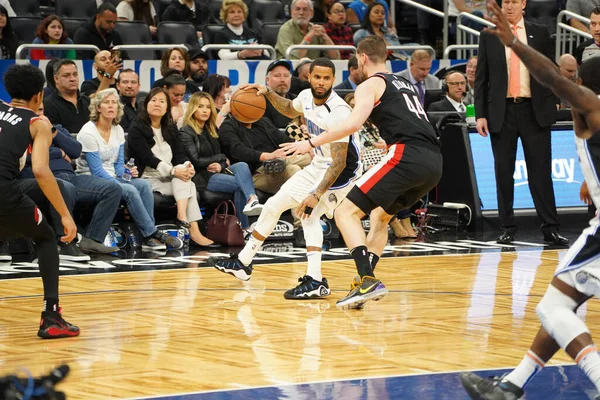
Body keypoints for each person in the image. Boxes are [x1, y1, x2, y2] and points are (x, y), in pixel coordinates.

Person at [459, 2, 600, 398]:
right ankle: (512, 385)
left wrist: (515, 44)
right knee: (561, 305)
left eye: (577, 80)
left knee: (551, 309)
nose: (570, 82)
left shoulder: (591, 107)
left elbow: (551, 79)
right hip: (507, 114)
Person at [281, 35, 443, 309]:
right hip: (434, 161)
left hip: (407, 155)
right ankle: (366, 282)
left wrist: (309, 142)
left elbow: (352, 124)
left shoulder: (371, 84)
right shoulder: (406, 84)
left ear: (362, 58)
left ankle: (366, 279)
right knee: (380, 217)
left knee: (345, 212)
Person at [214, 58, 361, 301]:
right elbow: (289, 109)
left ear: (333, 80)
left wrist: (315, 195)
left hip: (343, 172)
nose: (321, 82)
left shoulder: (339, 112)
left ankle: (315, 279)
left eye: (326, 78)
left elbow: (340, 162)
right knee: (273, 205)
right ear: (309, 77)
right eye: (317, 77)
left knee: (309, 213)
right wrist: (268, 93)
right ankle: (242, 262)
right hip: (318, 165)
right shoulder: (305, 96)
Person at [475, 0, 567, 246]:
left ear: (523, 3)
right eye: (505, 2)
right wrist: (480, 114)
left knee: (541, 173)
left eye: (514, 2)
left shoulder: (539, 31)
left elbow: (550, 67)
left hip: (534, 110)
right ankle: (507, 227)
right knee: (503, 173)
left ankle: (550, 228)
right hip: (501, 113)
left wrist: (555, 99)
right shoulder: (489, 35)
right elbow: (481, 78)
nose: (509, 7)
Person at [0, 64, 79, 338]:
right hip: (4, 192)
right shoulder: (38, 122)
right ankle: (51, 316)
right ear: (39, 95)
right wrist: (65, 215)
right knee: (45, 238)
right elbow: (42, 171)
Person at [76, 88, 183, 251]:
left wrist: (126, 173)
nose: (111, 106)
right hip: (88, 178)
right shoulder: (88, 132)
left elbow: (118, 165)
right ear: (98, 108)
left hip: (110, 176)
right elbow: (96, 171)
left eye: (114, 103)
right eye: (106, 103)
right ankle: (151, 234)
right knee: (130, 190)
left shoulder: (118, 130)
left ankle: (149, 237)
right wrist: (122, 183)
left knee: (143, 185)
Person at [20, 103, 122, 255]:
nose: (38, 114)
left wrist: (53, 132)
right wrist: (59, 152)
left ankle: (92, 239)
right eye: (34, 110)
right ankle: (65, 242)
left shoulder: (56, 128)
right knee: (64, 187)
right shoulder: (20, 131)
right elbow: (24, 158)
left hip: (72, 176)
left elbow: (76, 150)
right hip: (45, 180)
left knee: (112, 189)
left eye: (41, 110)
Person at [128, 88, 218, 249]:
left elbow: (180, 154)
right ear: (146, 104)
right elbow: (148, 158)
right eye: (153, 100)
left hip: (169, 177)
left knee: (186, 178)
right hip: (147, 178)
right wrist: (173, 171)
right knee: (187, 184)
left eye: (162, 101)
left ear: (167, 107)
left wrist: (186, 166)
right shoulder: (137, 128)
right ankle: (193, 230)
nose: (157, 104)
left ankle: (183, 217)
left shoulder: (170, 127)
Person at [179, 92, 264, 231]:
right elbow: (196, 161)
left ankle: (252, 200)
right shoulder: (186, 132)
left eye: (208, 107)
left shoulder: (211, 129)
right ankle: (244, 228)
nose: (205, 110)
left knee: (241, 165)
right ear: (193, 108)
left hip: (217, 173)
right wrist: (219, 159)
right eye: (200, 106)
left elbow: (224, 157)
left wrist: (221, 164)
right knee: (240, 184)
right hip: (202, 177)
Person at [275, 0, 340, 60]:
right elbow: (293, 58)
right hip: (289, 69)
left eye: (305, 9)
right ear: (291, 12)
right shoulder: (285, 29)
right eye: (297, 9)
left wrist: (325, 36)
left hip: (313, 68)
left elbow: (336, 57)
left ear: (311, 13)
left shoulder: (316, 29)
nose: (301, 13)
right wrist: (309, 37)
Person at [263, 60, 296, 128]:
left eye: (286, 76)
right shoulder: (259, 102)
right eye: (277, 76)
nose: (282, 79)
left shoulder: (296, 100)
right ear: (267, 80)